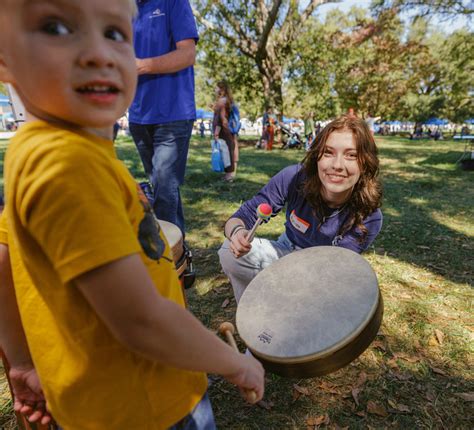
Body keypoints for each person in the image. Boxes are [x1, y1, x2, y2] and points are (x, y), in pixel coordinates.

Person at [0, 1, 264, 429]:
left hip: (95, 401)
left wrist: (23, 360)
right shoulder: (70, 167)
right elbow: (141, 321)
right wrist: (234, 364)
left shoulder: (33, 150)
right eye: (55, 26)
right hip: (148, 402)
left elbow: (4, 262)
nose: (99, 53)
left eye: (115, 33)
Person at [218, 115, 383, 302]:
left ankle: (275, 301)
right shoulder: (294, 177)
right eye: (328, 152)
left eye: (351, 155)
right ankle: (254, 313)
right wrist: (238, 233)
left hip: (325, 271)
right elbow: (238, 219)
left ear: (366, 163)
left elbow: (334, 270)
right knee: (228, 252)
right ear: (317, 157)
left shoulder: (369, 215)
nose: (337, 165)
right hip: (286, 250)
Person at [128, 0, 198, 235]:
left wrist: (140, 66)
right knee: (162, 188)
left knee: (164, 192)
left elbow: (187, 54)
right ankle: (180, 258)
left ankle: (167, 262)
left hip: (173, 114)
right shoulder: (125, 9)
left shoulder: (173, 2)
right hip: (139, 115)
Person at [213, 81, 236, 182]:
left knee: (227, 152)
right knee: (226, 151)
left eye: (216, 88)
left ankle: (229, 175)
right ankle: (227, 173)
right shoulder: (225, 101)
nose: (215, 90)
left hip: (223, 130)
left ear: (222, 89)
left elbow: (221, 118)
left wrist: (217, 131)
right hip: (225, 130)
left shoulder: (222, 101)